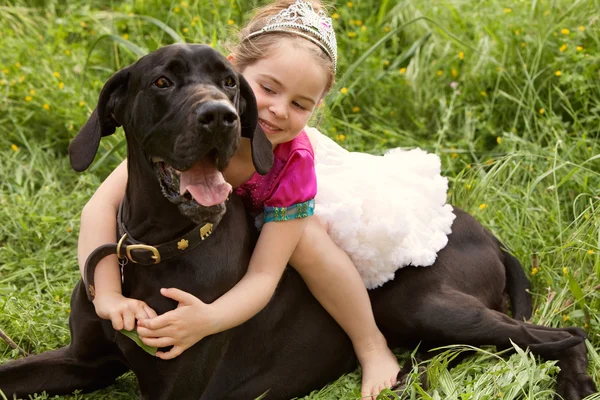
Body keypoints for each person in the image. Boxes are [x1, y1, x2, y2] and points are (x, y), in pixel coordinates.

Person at [78, 0, 454, 397]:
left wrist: (208, 319)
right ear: (233, 74)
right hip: (227, 225)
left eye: (300, 104)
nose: (277, 110)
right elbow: (99, 207)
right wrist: (107, 294)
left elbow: (262, 277)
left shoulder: (293, 163)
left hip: (289, 214)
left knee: (308, 241)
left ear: (316, 107)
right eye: (268, 89)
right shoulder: (189, 130)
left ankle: (371, 345)